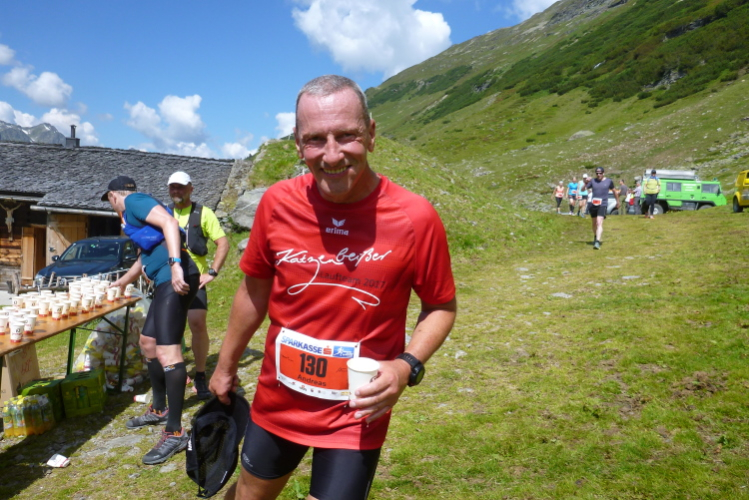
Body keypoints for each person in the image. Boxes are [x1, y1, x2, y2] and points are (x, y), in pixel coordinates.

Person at [209, 75, 457, 500]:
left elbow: (441, 306)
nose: (332, 154)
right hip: (279, 398)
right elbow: (253, 292)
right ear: (297, 143)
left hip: (357, 409)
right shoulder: (277, 203)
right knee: (250, 494)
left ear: (371, 134)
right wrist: (225, 366)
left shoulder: (415, 217)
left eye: (346, 136)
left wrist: (406, 366)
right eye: (315, 139)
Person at [102, 176, 200, 465]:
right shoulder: (135, 217)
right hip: (163, 281)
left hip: (175, 278)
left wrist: (175, 265)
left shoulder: (134, 201)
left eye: (109, 201)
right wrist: (122, 282)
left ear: (112, 196)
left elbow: (171, 224)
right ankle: (159, 409)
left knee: (169, 351)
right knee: (148, 342)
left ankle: (175, 432)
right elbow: (144, 256)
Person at [167, 171, 229, 400]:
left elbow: (223, 243)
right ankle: (176, 370)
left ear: (191, 189)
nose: (177, 191)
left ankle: (200, 374)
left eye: (181, 187)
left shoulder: (203, 213)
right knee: (170, 327)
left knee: (197, 323)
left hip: (196, 281)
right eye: (173, 187)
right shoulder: (164, 213)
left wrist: (212, 272)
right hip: (169, 280)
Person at [585, 167, 618, 250]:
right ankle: (595, 236)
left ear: (603, 173)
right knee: (594, 223)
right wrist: (585, 182)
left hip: (603, 204)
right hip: (593, 204)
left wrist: (618, 201)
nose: (598, 175)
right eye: (597, 173)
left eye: (600, 173)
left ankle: (597, 241)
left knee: (599, 222)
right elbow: (583, 189)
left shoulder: (609, 181)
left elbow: (614, 191)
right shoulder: (593, 181)